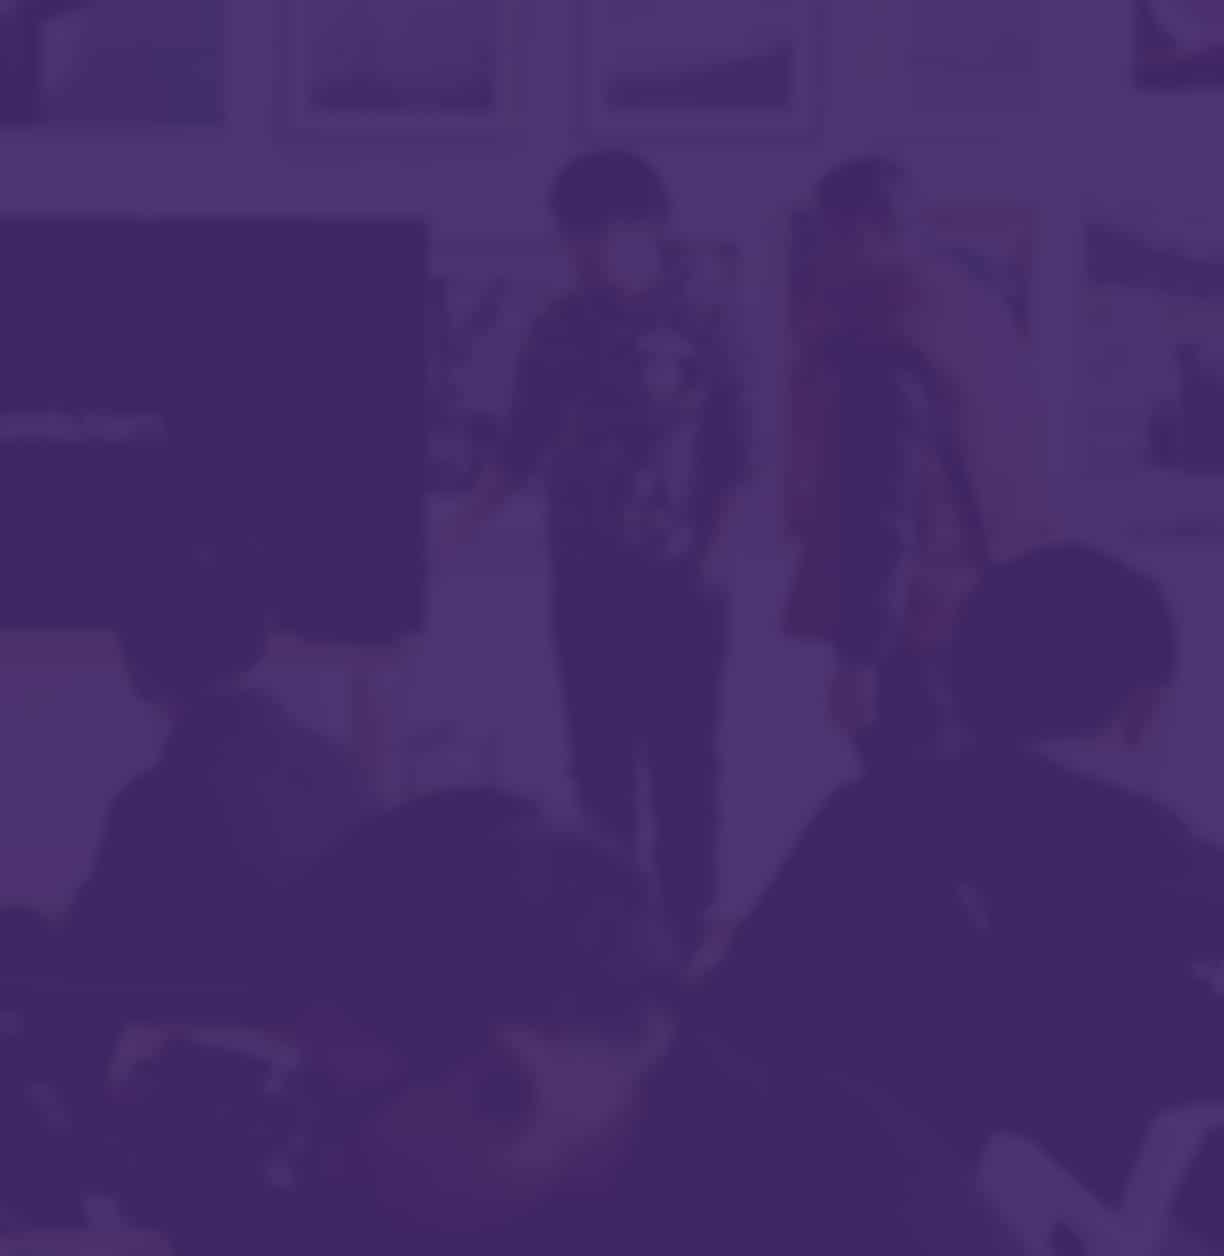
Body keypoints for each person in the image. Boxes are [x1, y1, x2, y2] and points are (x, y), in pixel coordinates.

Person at [707, 545, 1224, 1219]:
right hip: (1068, 1216)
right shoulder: (1165, 861)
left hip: (833, 1203)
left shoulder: (864, 816)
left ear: (958, 684)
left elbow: (737, 1015)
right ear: (1145, 708)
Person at [284, 789, 1027, 1255]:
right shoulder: (636, 1122)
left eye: (339, 1106)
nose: (333, 1157)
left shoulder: (826, 1216)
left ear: (502, 1085)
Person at [450, 150, 752, 951]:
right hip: (585, 579)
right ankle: (609, 935)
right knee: (598, 765)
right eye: (572, 237)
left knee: (684, 765)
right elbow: (517, 448)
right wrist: (451, 535)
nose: (582, 254)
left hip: (682, 585)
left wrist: (710, 564)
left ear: (648, 229)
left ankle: (685, 933)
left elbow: (741, 459)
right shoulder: (559, 326)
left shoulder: (711, 317)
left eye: (597, 236)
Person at [783, 156, 1055, 766]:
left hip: (917, 627)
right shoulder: (980, 311)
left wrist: (859, 658)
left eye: (829, 238)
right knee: (982, 796)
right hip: (999, 608)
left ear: (862, 230)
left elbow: (884, 507)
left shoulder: (886, 339)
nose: (825, 259)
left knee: (910, 806)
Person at [65, 551, 371, 990]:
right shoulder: (341, 774)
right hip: (324, 1025)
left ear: (137, 668)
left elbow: (92, 956)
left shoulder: (154, 808)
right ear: (256, 643)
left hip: (200, 1025)